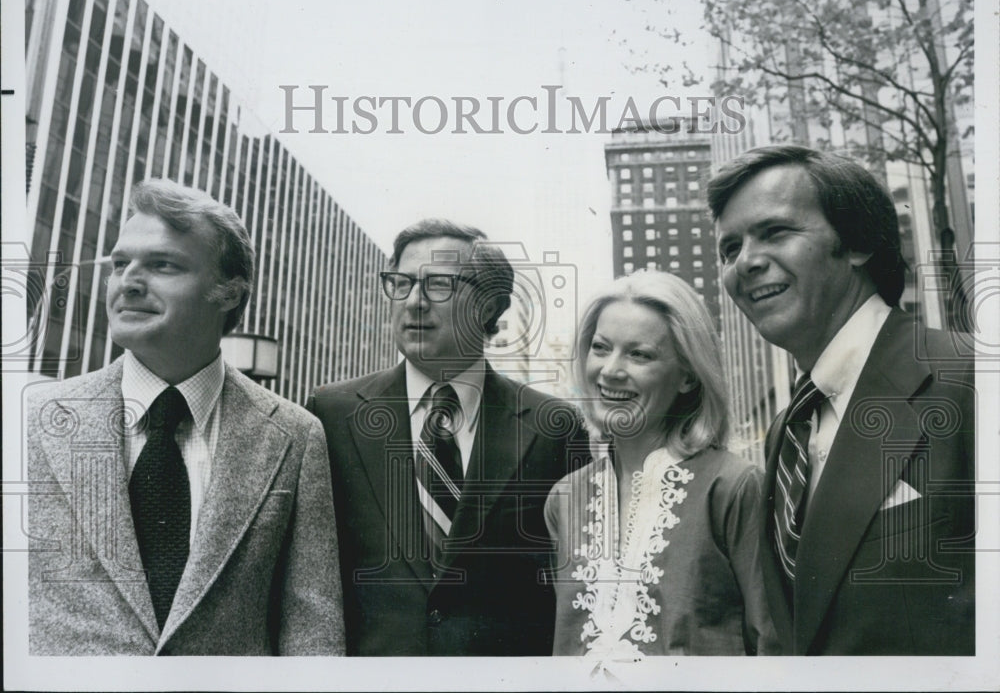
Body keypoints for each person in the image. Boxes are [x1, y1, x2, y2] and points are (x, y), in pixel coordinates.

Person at [27, 179, 345, 655]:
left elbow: (311, 624)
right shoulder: (32, 418)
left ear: (228, 292)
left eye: (162, 265)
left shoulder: (295, 436)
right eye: (119, 264)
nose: (129, 282)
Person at [708, 144, 975, 655]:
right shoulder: (784, 433)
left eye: (775, 232)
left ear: (856, 243)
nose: (745, 263)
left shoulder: (972, 380)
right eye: (730, 248)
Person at [308, 219, 590, 655]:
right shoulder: (331, 414)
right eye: (401, 283)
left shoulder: (554, 427)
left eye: (440, 285)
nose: (415, 302)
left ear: (490, 306)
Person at [545, 270, 777, 659]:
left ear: (687, 375)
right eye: (601, 348)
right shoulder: (564, 499)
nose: (610, 370)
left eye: (639, 354)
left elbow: (774, 646)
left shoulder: (734, 488)